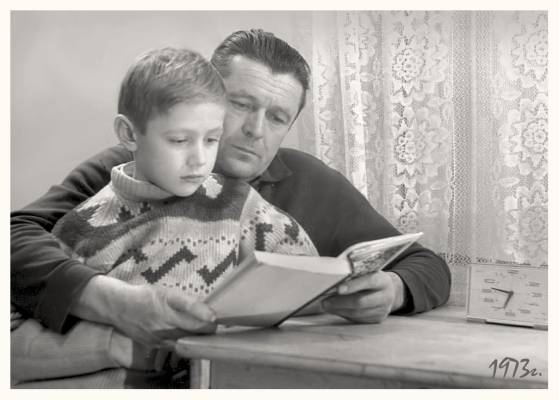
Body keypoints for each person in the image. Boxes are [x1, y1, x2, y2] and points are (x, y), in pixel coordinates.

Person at [11, 29, 451, 386]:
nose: (255, 130)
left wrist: (393, 290)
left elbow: (426, 265)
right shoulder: (131, 170)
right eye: (240, 105)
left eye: (277, 117)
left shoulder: (310, 181)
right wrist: (114, 304)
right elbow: (16, 237)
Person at [11, 46, 318, 387]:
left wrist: (348, 288)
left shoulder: (239, 202)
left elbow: (312, 275)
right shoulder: (85, 223)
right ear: (129, 135)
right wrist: (122, 347)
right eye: (180, 140)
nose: (200, 159)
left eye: (212, 139)